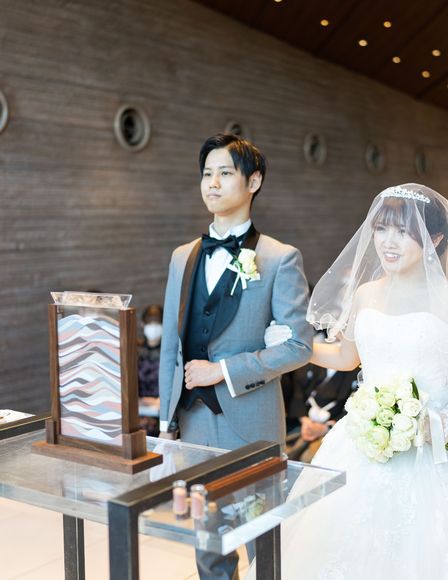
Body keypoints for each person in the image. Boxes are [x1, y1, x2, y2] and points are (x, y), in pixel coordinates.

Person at [250, 184, 448, 579]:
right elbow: (345, 357)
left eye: (404, 232)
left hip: (436, 445)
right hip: (363, 443)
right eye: (382, 229)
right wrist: (293, 345)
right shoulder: (365, 295)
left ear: (434, 239)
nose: (388, 242)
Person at [158, 133, 313, 580]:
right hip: (192, 424)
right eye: (207, 174)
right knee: (208, 547)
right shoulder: (182, 257)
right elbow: (171, 345)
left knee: (262, 544)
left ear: (253, 181)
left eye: (225, 173)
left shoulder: (280, 258)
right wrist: (166, 423)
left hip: (250, 424)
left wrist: (223, 371)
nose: (212, 183)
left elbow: (299, 346)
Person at [137, 304, 163, 436]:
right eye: (150, 322)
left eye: (157, 323)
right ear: (143, 324)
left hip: (162, 413)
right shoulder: (135, 350)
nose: (153, 327)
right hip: (138, 412)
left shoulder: (170, 352)